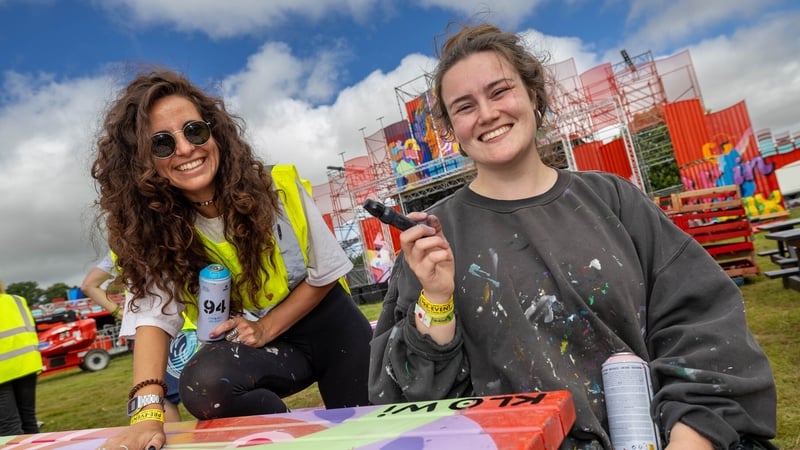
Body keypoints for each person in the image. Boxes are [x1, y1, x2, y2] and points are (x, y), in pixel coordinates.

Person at [368, 23, 777, 449]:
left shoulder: (613, 199)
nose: (487, 114)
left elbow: (705, 330)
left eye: (499, 91)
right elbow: (407, 403)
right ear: (451, 130)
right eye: (465, 106)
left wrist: (690, 440)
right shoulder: (431, 239)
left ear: (533, 94)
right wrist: (435, 300)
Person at [92, 69, 372, 450]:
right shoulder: (150, 232)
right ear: (142, 160)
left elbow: (326, 274)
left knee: (368, 434)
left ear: (215, 132)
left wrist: (268, 326)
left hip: (332, 330)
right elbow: (152, 318)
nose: (186, 149)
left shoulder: (279, 187)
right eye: (162, 144)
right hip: (259, 347)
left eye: (193, 131)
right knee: (204, 387)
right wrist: (147, 414)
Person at [81, 251, 197, 423]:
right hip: (194, 325)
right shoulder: (179, 236)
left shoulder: (121, 248)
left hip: (153, 334)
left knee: (160, 399)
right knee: (209, 395)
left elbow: (88, 285)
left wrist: (119, 312)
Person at [0, 279, 42, 436]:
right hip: (27, 364)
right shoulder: (17, 300)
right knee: (29, 420)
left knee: (8, 427)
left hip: (2, 373)